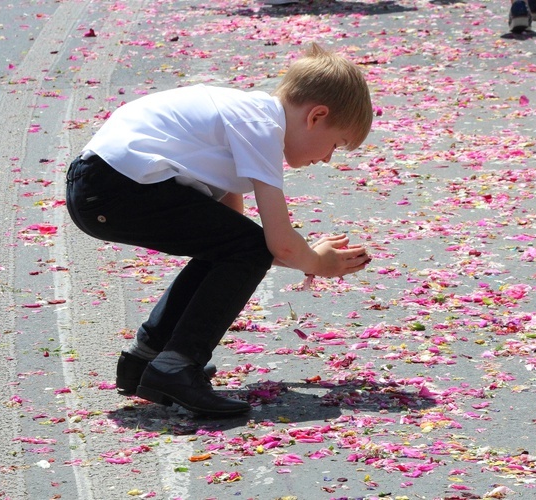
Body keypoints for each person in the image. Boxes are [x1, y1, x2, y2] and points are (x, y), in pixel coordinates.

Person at [66, 43, 374, 417]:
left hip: (100, 185)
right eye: (335, 144)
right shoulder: (264, 126)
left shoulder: (248, 117)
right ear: (316, 116)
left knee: (232, 248)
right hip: (115, 188)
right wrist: (317, 262)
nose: (327, 158)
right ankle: (176, 367)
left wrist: (291, 254)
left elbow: (240, 242)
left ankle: (146, 361)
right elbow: (278, 244)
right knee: (245, 249)